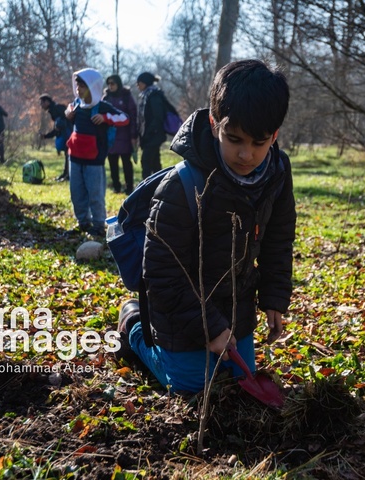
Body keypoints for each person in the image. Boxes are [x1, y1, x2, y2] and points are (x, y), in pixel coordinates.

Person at [117, 59, 296, 393]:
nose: (246, 155)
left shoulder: (278, 172)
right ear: (214, 125)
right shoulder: (182, 186)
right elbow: (161, 272)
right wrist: (209, 327)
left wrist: (274, 297)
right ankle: (134, 329)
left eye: (259, 143)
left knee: (238, 381)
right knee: (194, 387)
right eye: (235, 139)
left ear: (275, 134)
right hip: (178, 311)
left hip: (236, 307)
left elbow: (278, 239)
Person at [65, 68, 129, 237]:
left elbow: (124, 118)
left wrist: (106, 118)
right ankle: (83, 222)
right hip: (74, 157)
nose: (78, 89)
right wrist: (68, 113)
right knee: (76, 192)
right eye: (77, 85)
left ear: (92, 87)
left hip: (94, 159)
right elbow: (67, 109)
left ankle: (99, 224)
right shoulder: (76, 104)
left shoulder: (102, 107)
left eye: (82, 86)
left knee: (95, 193)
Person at [103, 74, 139, 194]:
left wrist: (134, 135)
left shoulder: (126, 95)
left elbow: (133, 115)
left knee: (126, 163)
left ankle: (129, 187)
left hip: (125, 135)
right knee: (112, 162)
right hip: (111, 136)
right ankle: (116, 186)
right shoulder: (106, 97)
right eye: (109, 83)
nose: (110, 86)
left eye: (113, 83)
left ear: (118, 84)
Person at [135, 72, 167, 179]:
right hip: (150, 136)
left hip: (153, 136)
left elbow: (157, 117)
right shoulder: (147, 95)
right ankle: (160, 187)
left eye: (138, 83)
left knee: (146, 162)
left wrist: (148, 133)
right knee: (155, 164)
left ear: (144, 83)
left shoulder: (154, 96)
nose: (137, 85)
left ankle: (145, 189)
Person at [39, 94, 72, 181]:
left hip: (69, 134)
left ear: (47, 102)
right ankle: (66, 174)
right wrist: (46, 136)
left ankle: (68, 175)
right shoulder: (53, 110)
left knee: (68, 154)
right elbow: (57, 129)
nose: (41, 105)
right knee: (67, 154)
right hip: (65, 134)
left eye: (42, 103)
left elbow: (65, 122)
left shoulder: (57, 108)